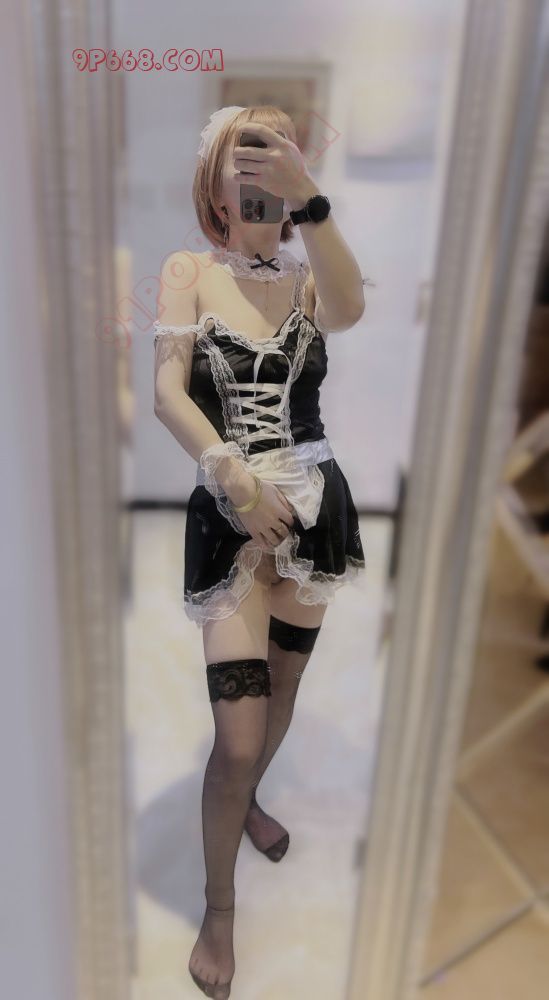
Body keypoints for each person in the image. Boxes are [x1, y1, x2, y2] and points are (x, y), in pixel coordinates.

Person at [153, 104, 367, 999]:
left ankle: (247, 809)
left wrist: (308, 198)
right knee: (236, 741)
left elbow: (350, 310)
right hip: (231, 518)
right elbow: (168, 392)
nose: (260, 170)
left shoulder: (312, 274)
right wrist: (238, 484)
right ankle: (219, 906)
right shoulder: (188, 272)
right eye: (244, 154)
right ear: (213, 181)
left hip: (315, 512)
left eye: (276, 150)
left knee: (282, 694)